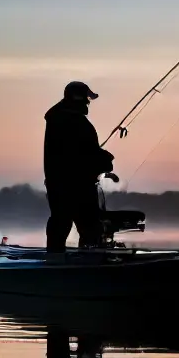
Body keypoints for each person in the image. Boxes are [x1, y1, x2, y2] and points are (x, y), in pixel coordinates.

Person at [43, 81, 117, 252]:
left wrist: (99, 157)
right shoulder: (75, 123)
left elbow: (79, 152)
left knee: (60, 223)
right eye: (86, 99)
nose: (88, 103)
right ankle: (89, 263)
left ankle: (55, 258)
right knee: (89, 226)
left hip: (58, 184)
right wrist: (105, 159)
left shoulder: (58, 120)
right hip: (77, 186)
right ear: (78, 99)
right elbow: (82, 155)